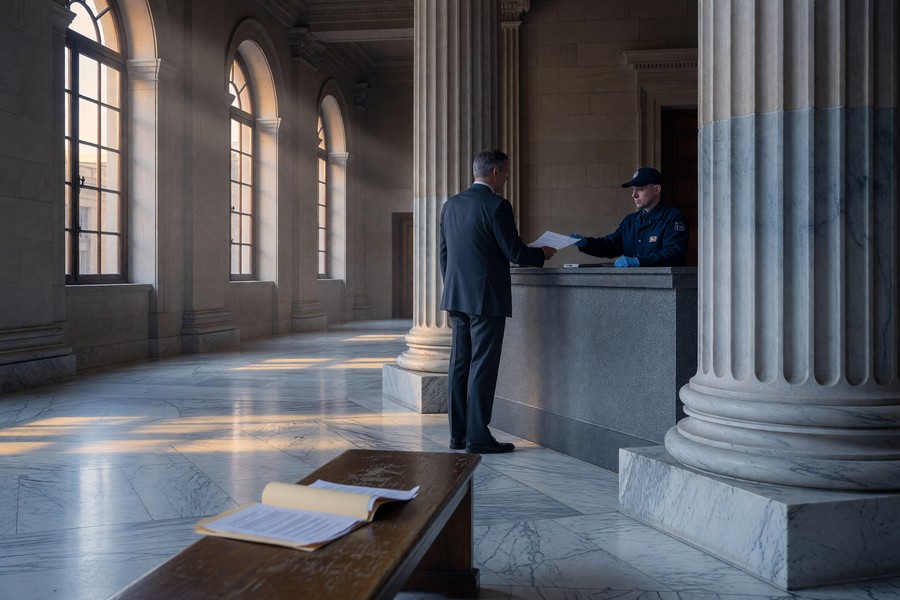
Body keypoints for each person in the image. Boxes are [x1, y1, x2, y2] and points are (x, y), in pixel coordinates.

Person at [440, 149, 556, 454]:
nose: (505, 179)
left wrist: (453, 288)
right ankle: (477, 438)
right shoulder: (497, 205)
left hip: (456, 296)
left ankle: (458, 436)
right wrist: (541, 253)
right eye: (505, 173)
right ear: (494, 172)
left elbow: (444, 255)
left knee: (459, 365)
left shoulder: (450, 205)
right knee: (483, 366)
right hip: (486, 299)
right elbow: (515, 253)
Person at [569, 167, 689, 267]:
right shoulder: (630, 221)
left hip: (662, 287)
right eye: (633, 189)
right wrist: (586, 243)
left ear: (656, 190)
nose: (634, 195)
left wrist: (639, 262)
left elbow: (674, 254)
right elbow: (610, 245)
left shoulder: (673, 218)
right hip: (632, 285)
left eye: (640, 189)